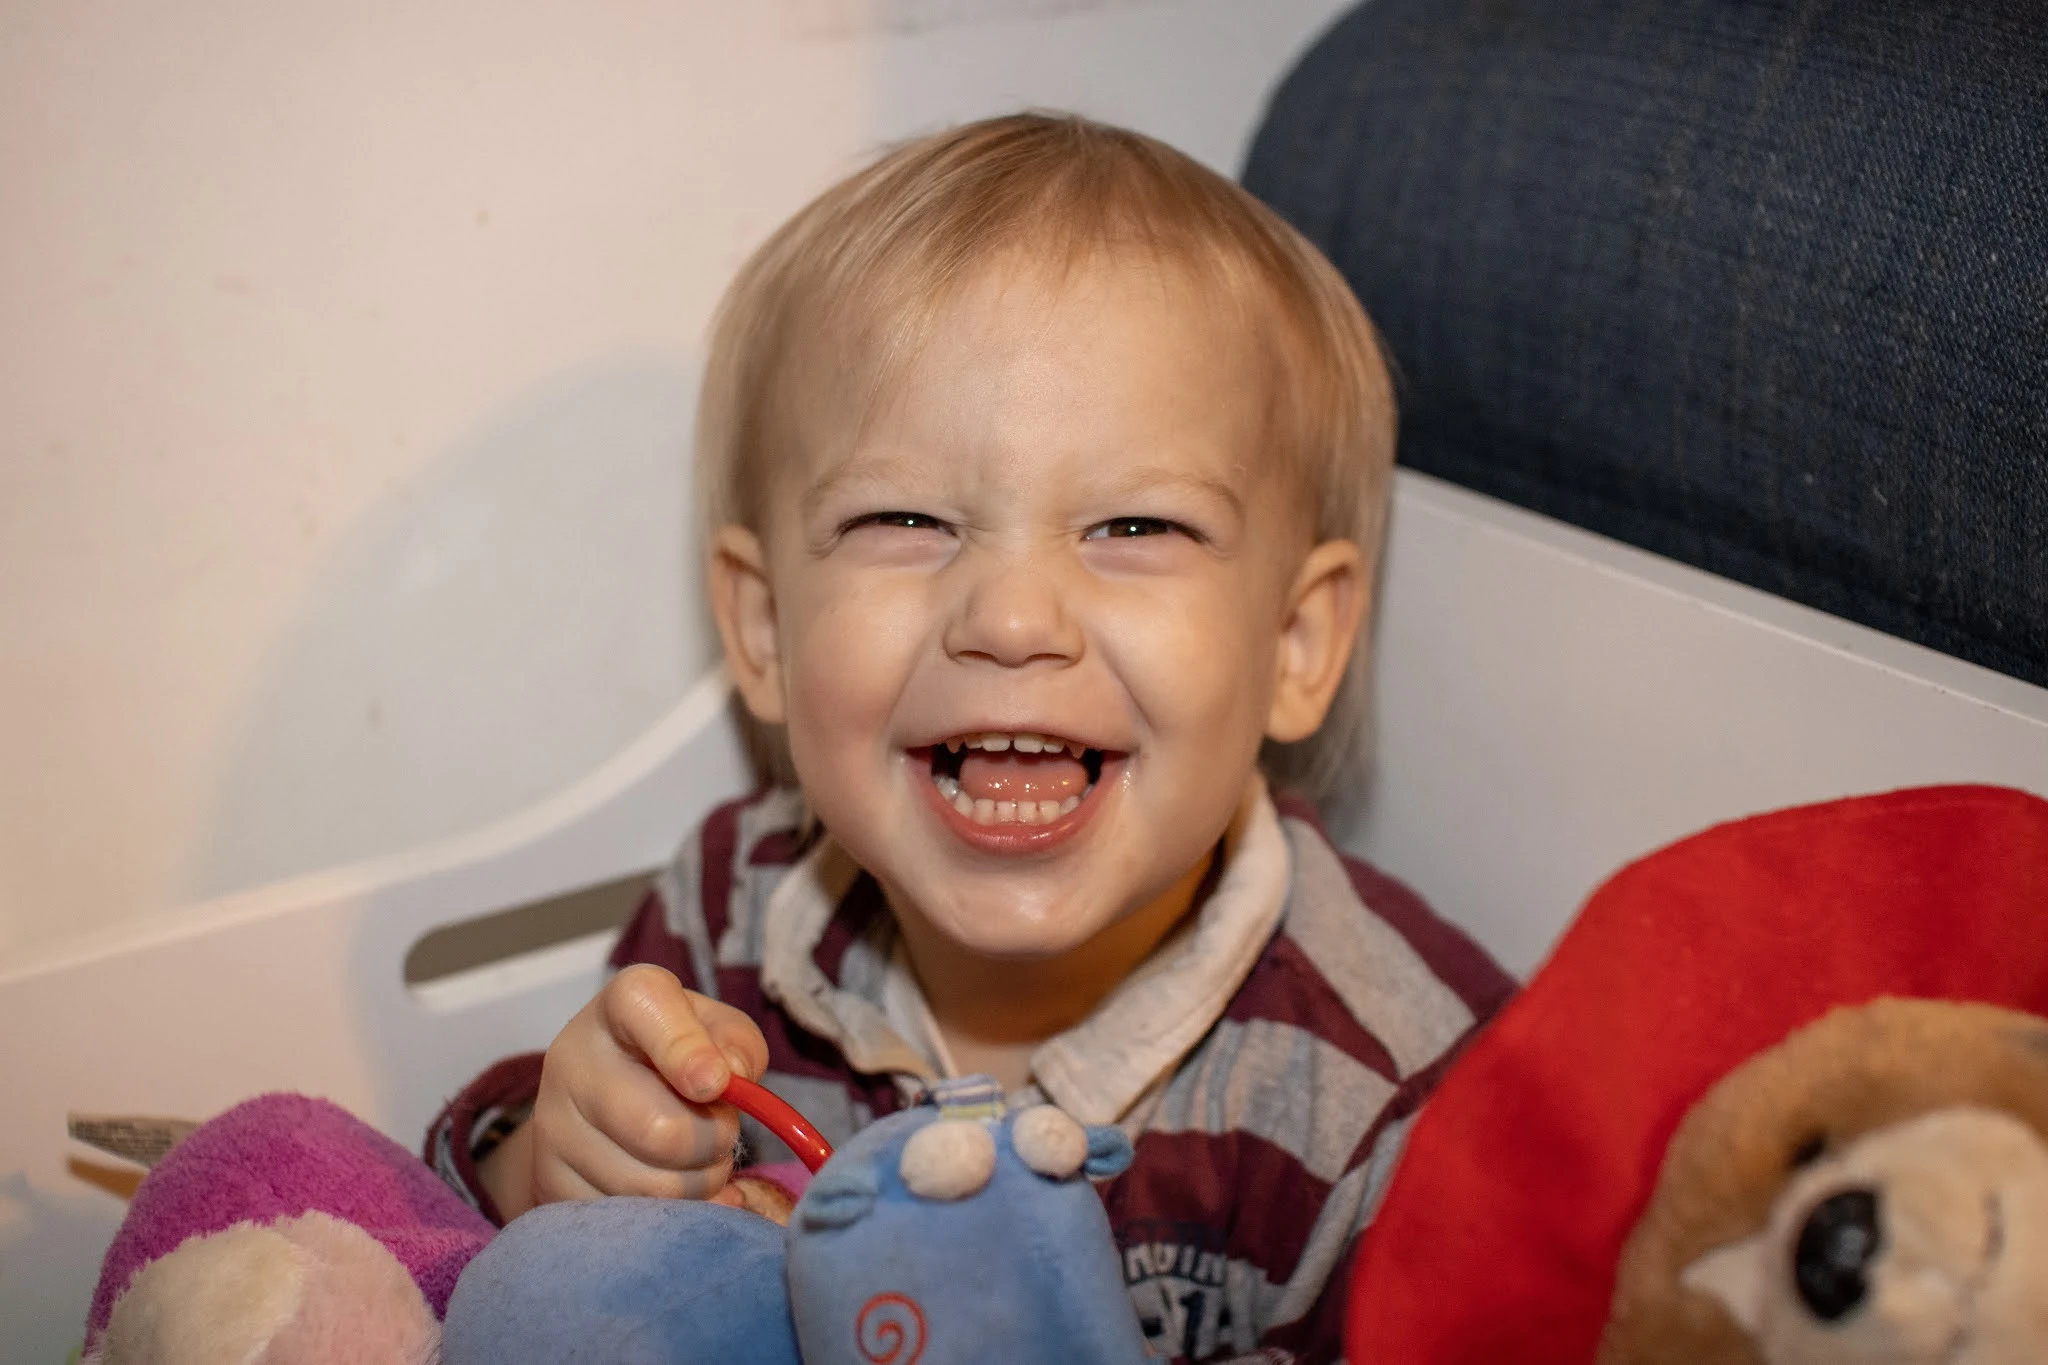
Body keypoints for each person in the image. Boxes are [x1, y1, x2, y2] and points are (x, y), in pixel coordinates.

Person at [426, 112, 1512, 1363]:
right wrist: (550, 1168)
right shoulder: (732, 908)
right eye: (906, 517)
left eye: (1134, 527)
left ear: (1295, 645)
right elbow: (526, 1263)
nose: (1007, 617)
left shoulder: (1399, 1106)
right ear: (767, 627)